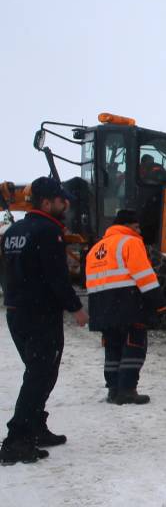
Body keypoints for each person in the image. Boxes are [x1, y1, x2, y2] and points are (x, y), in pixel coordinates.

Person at [1, 177, 89, 465]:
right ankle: (17, 440)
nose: (66, 205)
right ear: (47, 202)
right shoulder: (48, 231)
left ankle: (36, 426)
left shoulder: (14, 231)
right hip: (40, 315)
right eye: (62, 201)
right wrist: (75, 307)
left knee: (37, 372)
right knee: (40, 375)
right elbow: (56, 277)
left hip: (16, 311)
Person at [85, 209, 166, 405]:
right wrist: (159, 304)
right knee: (135, 345)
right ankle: (127, 389)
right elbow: (144, 276)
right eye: (137, 226)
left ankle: (113, 389)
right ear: (127, 225)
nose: (140, 231)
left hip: (101, 306)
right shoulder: (130, 242)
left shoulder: (96, 248)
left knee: (113, 348)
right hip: (127, 303)